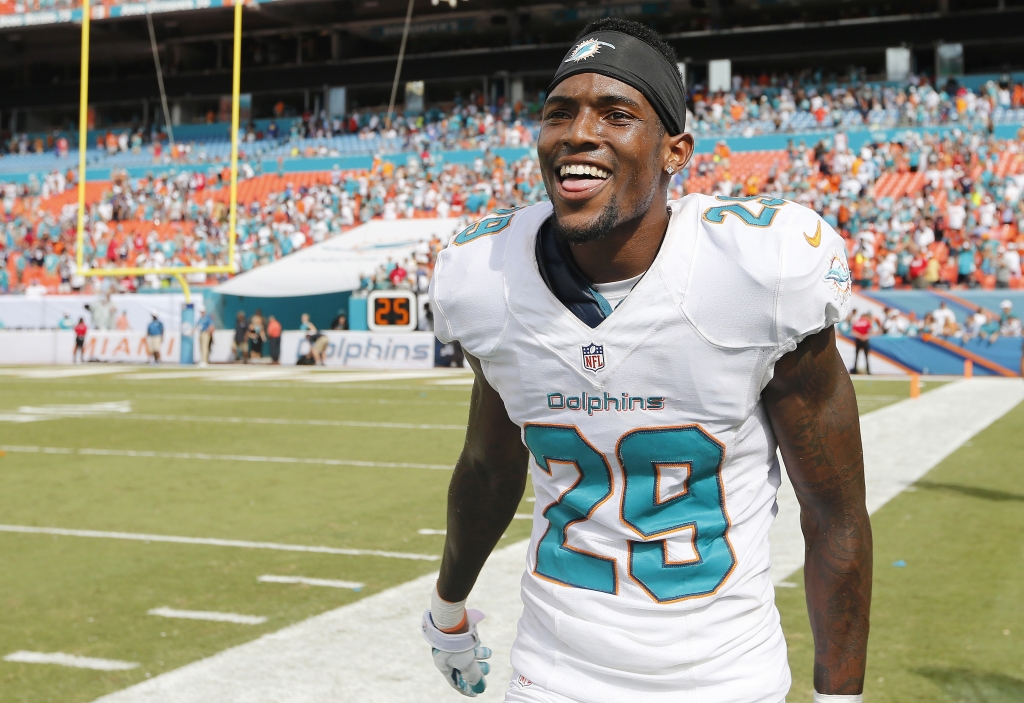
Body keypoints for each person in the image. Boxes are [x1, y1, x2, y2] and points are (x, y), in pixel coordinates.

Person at [422, 19, 870, 703]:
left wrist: (842, 697)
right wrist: (446, 610)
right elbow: (488, 465)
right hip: (552, 676)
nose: (578, 131)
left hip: (725, 681)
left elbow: (834, 510)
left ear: (674, 150)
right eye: (559, 112)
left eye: (615, 113)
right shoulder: (486, 278)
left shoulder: (755, 272)